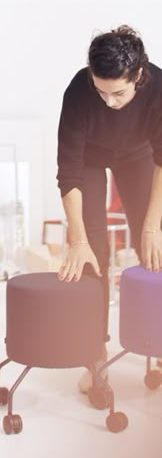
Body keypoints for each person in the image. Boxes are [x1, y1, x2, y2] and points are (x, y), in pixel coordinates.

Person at [56, 24, 162, 392]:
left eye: (118, 93)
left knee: (156, 249)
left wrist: (151, 227)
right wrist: (77, 239)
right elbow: (68, 171)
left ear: (139, 75)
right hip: (88, 159)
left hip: (140, 156)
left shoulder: (159, 88)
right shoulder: (79, 91)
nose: (109, 102)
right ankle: (95, 356)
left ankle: (158, 342)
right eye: (101, 92)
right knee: (92, 255)